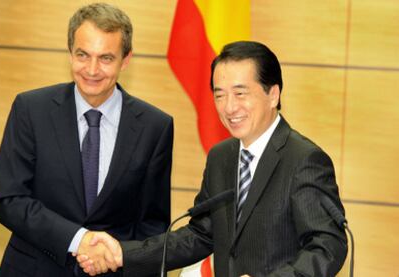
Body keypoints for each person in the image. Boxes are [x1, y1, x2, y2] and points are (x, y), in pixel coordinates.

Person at [78, 41, 348, 277]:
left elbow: (328, 243)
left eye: (240, 93)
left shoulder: (304, 160)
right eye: (220, 95)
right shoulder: (221, 157)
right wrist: (124, 253)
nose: (229, 107)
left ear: (273, 94)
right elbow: (200, 235)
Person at [0, 3, 173, 276]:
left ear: (126, 59)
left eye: (106, 58)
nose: (92, 69)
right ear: (70, 53)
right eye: (83, 55)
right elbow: (8, 199)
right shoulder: (31, 109)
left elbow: (152, 226)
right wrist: (79, 239)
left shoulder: (155, 126)